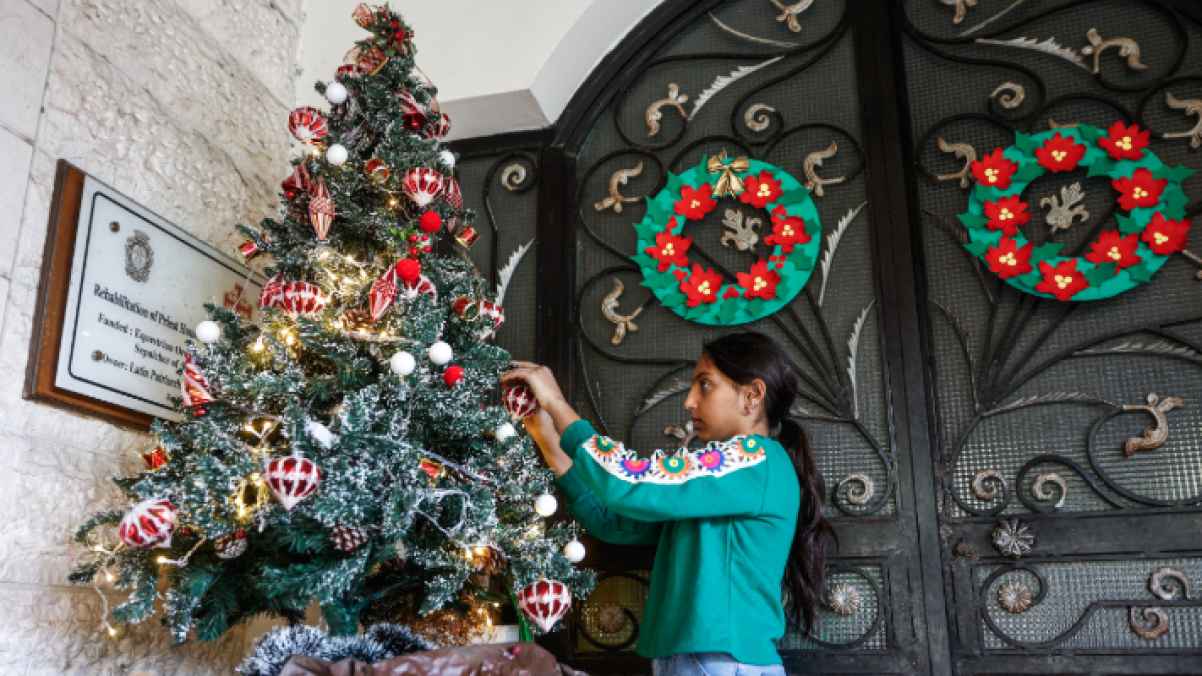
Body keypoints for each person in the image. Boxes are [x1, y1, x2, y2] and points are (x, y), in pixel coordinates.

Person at [501, 331, 836, 676]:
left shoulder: (754, 459)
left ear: (752, 395)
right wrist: (544, 433)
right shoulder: (722, 480)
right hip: (703, 660)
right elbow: (612, 520)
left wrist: (556, 403)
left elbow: (627, 482)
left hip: (719, 661)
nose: (690, 401)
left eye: (705, 385)